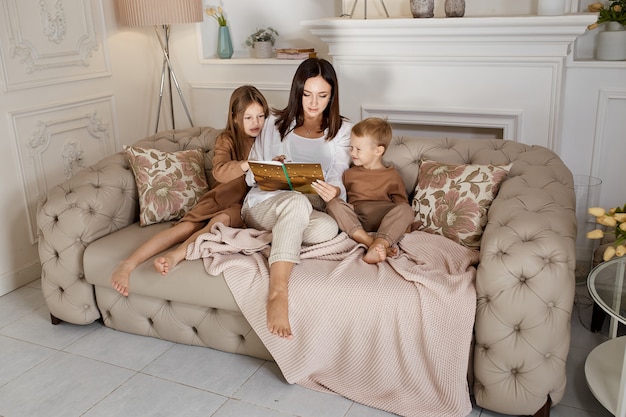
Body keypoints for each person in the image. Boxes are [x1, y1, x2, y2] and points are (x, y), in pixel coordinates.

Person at [111, 85, 269, 297]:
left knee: (218, 222)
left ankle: (175, 256)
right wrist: (247, 164)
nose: (256, 123)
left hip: (240, 207)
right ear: (234, 117)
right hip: (218, 198)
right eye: (248, 117)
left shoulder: (268, 139)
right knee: (184, 228)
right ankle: (128, 264)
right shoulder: (227, 139)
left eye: (260, 116)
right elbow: (221, 172)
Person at [242, 58, 353, 340]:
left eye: (322, 96)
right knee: (296, 202)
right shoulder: (273, 125)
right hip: (265, 203)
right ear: (297, 92)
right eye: (307, 94)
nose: (314, 103)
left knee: (328, 228)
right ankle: (278, 292)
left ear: (333, 95)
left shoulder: (342, 130)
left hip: (311, 207)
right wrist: (270, 166)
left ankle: (282, 236)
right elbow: (250, 176)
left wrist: (335, 191)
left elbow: (339, 174)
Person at [323, 117, 414, 264]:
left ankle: (382, 241)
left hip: (384, 218)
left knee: (406, 210)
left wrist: (404, 226)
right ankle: (371, 242)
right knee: (333, 203)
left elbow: (401, 205)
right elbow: (343, 202)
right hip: (357, 220)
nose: (353, 152)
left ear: (378, 150)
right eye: (351, 147)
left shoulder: (392, 176)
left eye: (358, 149)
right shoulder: (349, 174)